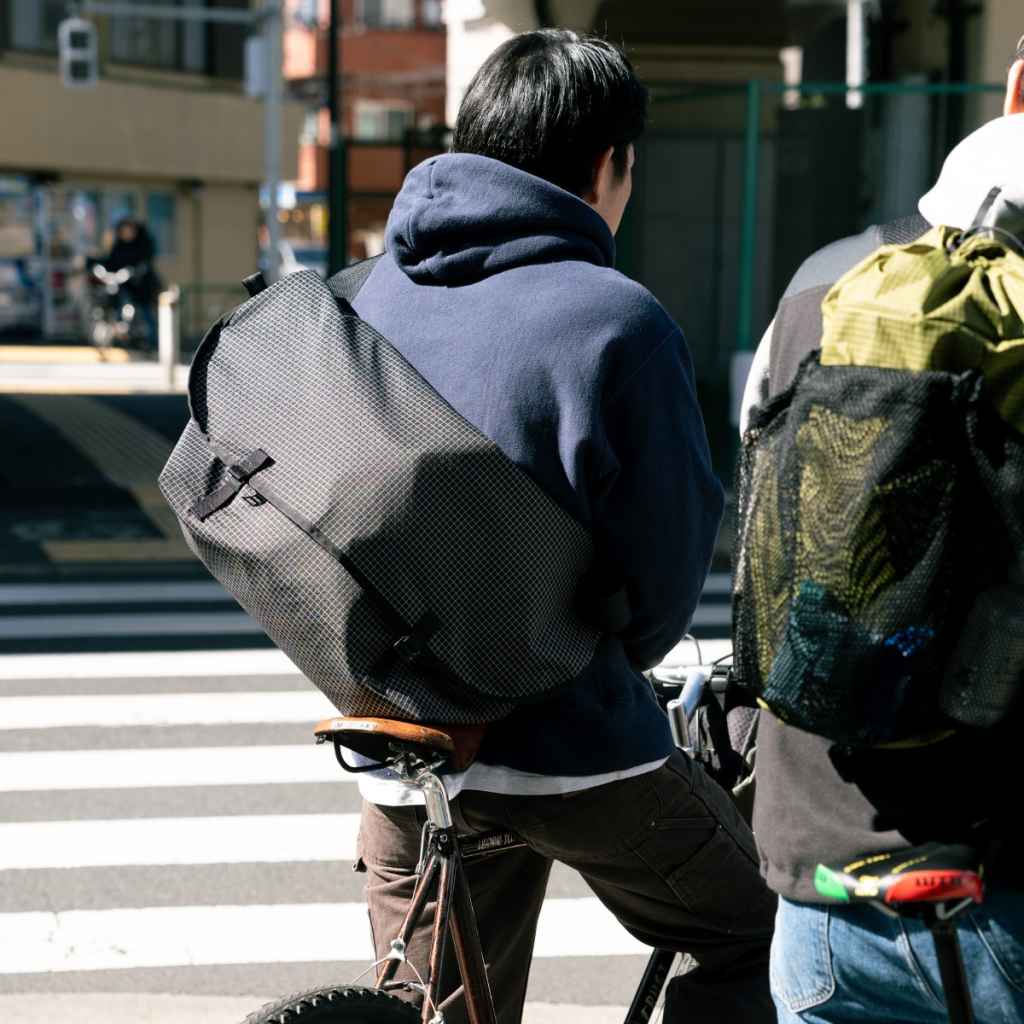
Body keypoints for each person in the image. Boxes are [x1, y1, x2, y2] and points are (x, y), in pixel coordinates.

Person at [350, 29, 777, 1024]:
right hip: (567, 738)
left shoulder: (365, 297)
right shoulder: (614, 321)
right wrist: (597, 650)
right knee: (755, 933)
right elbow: (663, 572)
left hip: (401, 740)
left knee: (442, 1011)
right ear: (607, 166)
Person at [739, 37, 1024, 1024]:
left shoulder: (815, 284)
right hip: (997, 890)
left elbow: (759, 551)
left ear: (1014, 89)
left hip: (819, 882)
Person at [104, 217, 161, 345]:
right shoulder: (118, 246)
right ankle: (121, 337)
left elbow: (146, 263)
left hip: (143, 285)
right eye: (123, 231)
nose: (126, 234)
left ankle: (153, 341)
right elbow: (111, 263)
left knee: (146, 313)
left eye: (129, 231)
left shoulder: (143, 245)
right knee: (122, 309)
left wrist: (135, 271)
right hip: (124, 286)